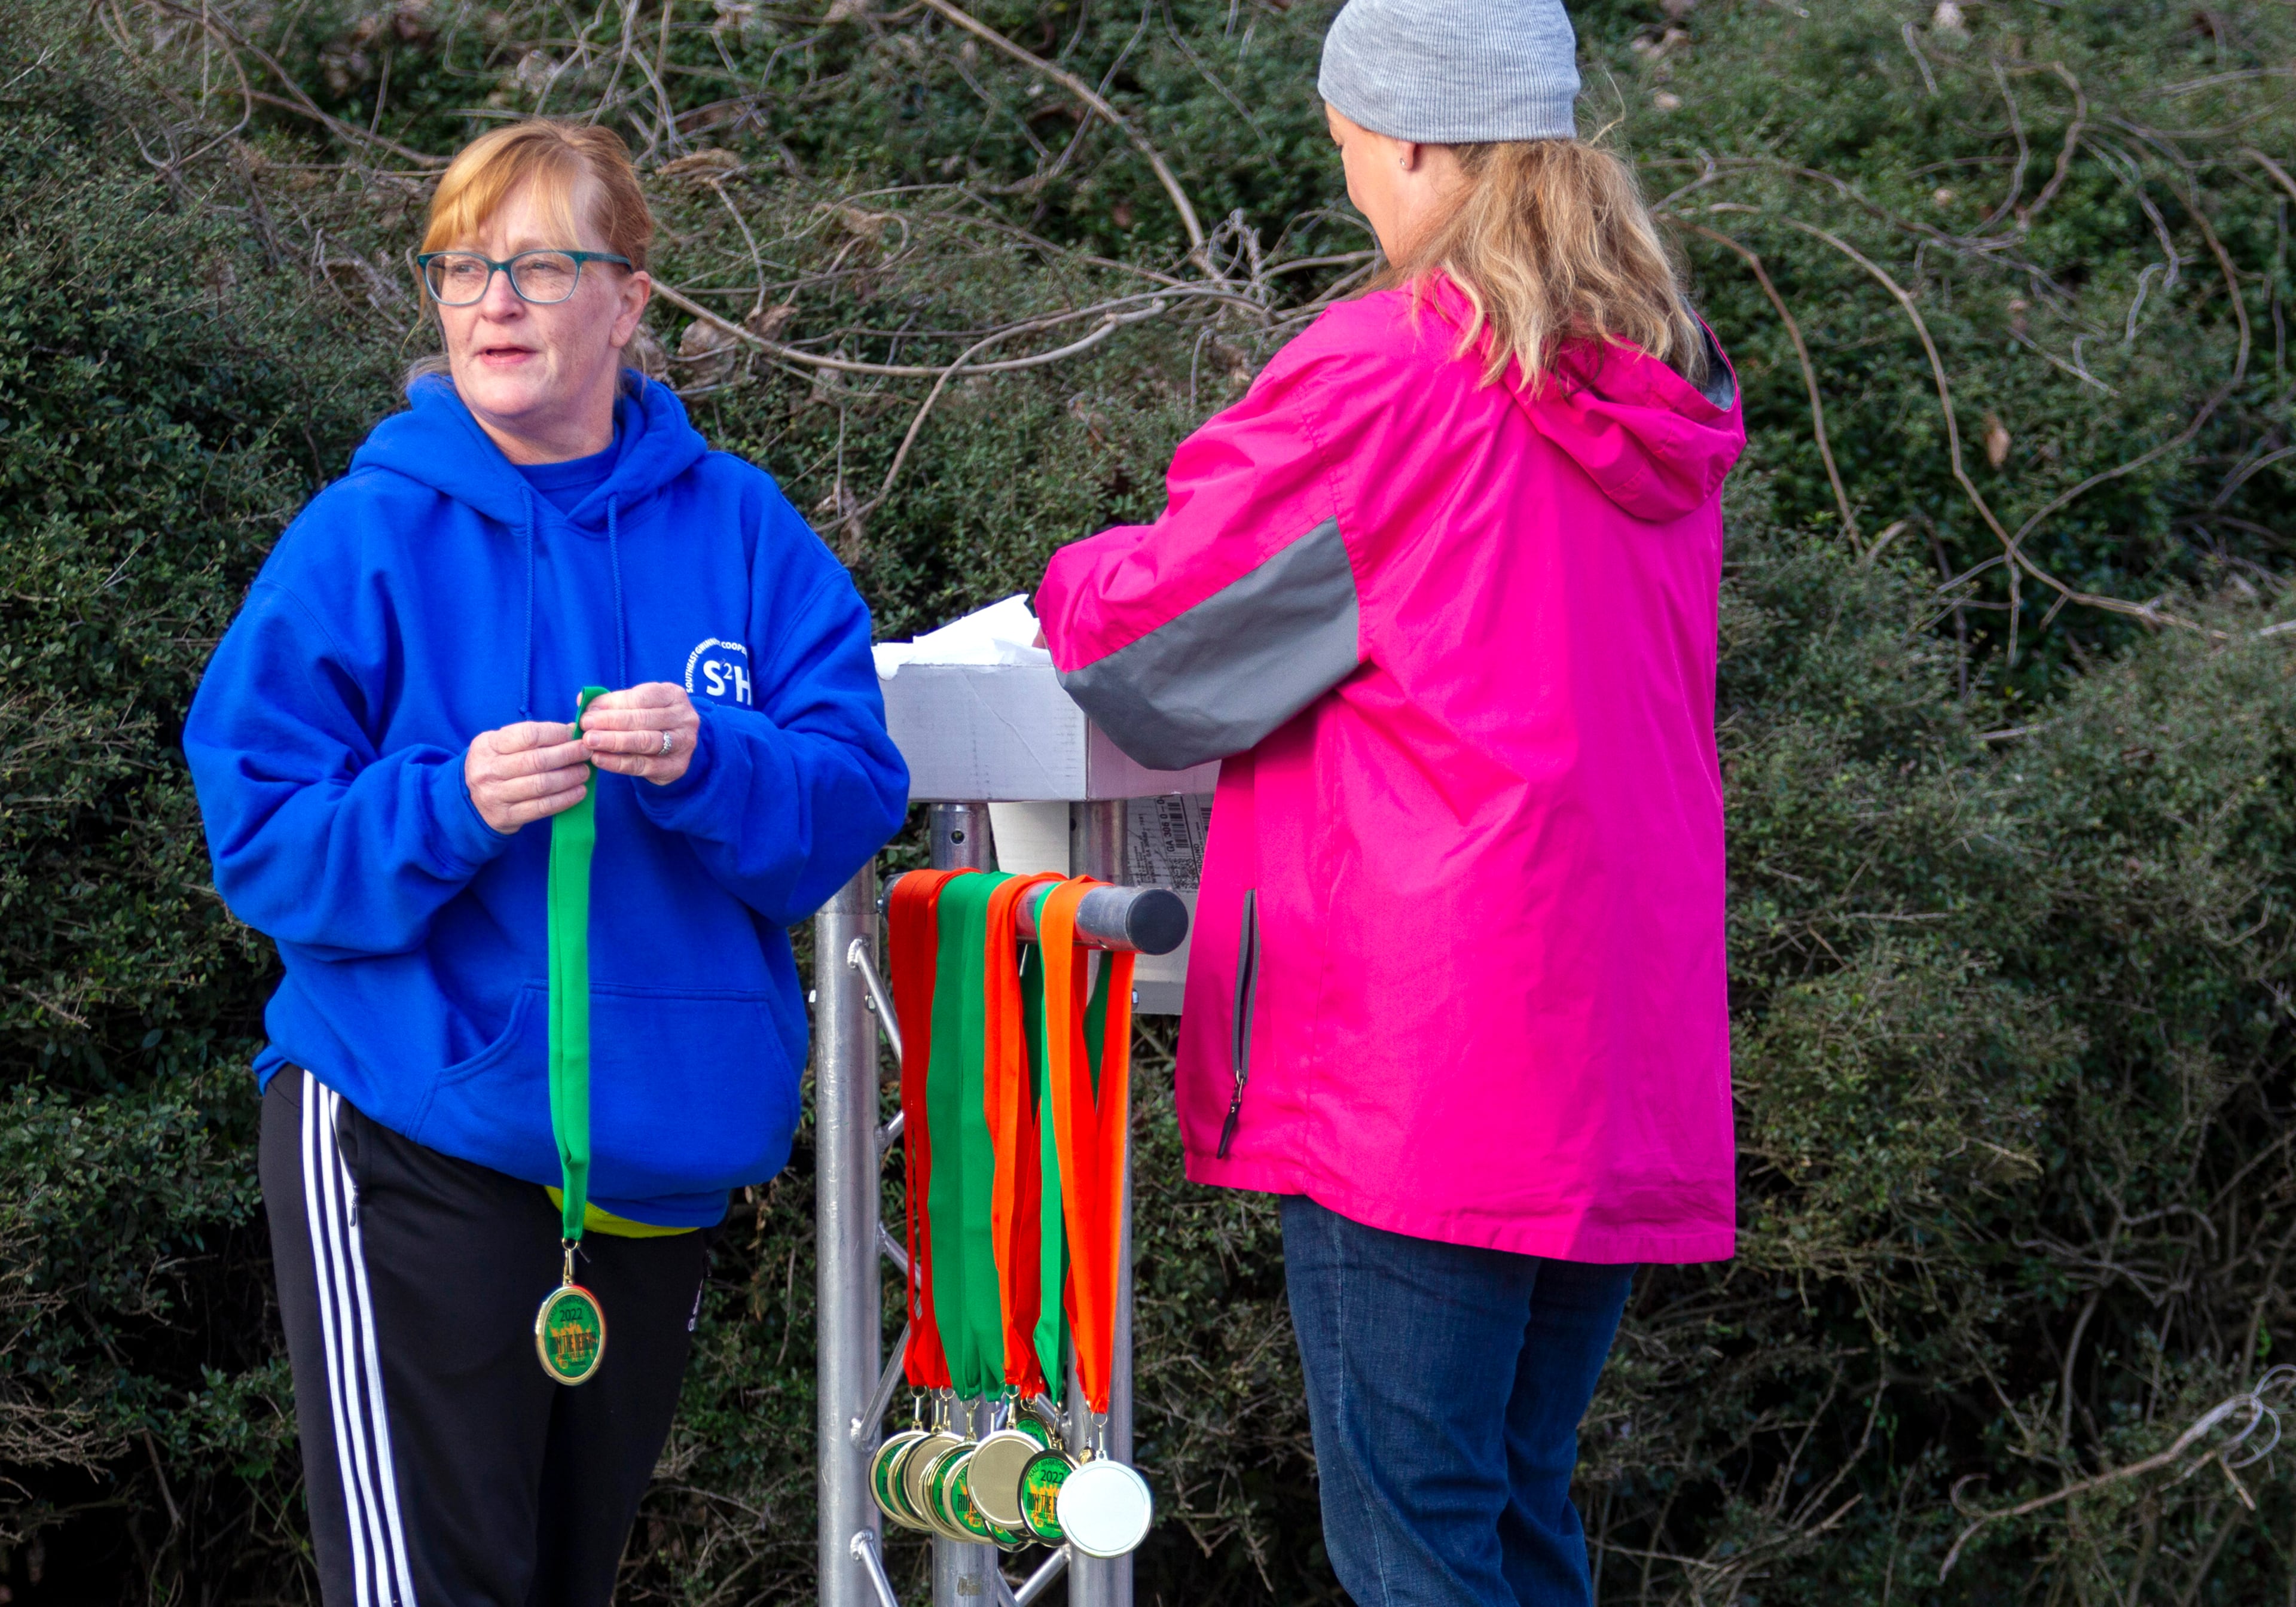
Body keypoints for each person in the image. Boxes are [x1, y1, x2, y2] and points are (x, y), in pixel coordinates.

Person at [1031, 2, 1743, 1602]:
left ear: (1415, 140)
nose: (1349, 175)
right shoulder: (1654, 383)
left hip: (1422, 1047)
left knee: (1415, 1536)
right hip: (1609, 1039)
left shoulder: (1390, 369)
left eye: (1348, 140)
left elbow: (1164, 651)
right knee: (1511, 1512)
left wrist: (1066, 579)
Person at [185, 120, 906, 1606]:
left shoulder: (746, 531)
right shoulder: (363, 537)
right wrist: (446, 802)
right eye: (462, 267)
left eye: (538, 265)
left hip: (656, 1160)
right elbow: (261, 834)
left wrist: (718, 759)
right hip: (411, 1127)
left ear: (630, 300)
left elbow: (849, 799)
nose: (492, 303)